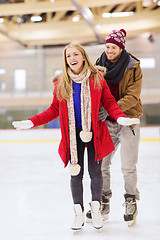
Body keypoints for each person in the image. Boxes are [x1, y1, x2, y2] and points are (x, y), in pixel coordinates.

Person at [12, 43, 140, 231]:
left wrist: (120, 117)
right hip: (73, 136)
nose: (72, 58)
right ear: (66, 60)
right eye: (68, 56)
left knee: (96, 172)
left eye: (75, 54)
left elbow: (110, 102)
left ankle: (96, 210)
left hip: (94, 133)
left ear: (83, 57)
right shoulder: (61, 83)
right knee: (76, 173)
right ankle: (78, 213)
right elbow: (53, 110)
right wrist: (32, 122)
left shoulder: (97, 79)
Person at [86, 29, 143, 227]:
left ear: (121, 47)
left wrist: (112, 109)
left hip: (128, 119)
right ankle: (103, 202)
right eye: (107, 47)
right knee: (102, 164)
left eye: (113, 47)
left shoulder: (133, 66)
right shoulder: (98, 65)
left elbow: (133, 95)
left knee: (128, 166)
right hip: (106, 123)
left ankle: (130, 200)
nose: (109, 50)